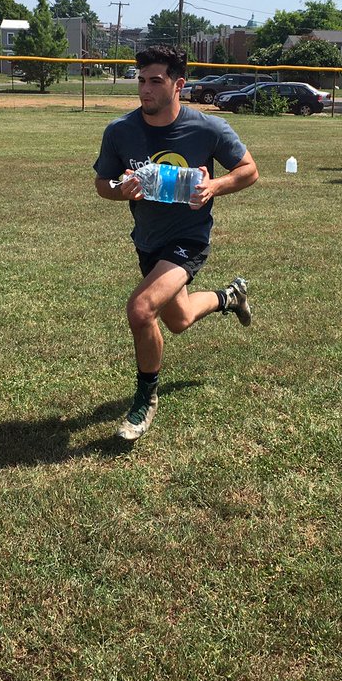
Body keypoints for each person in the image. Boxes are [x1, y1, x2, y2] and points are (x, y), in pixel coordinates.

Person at [94, 44, 259, 441]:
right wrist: (123, 190)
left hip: (189, 238)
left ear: (178, 85)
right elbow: (103, 184)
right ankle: (230, 296)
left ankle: (144, 401)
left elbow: (250, 170)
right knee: (179, 319)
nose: (145, 89)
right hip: (148, 240)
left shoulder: (207, 128)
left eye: (156, 81)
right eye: (141, 80)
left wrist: (213, 186)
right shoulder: (120, 131)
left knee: (140, 309)